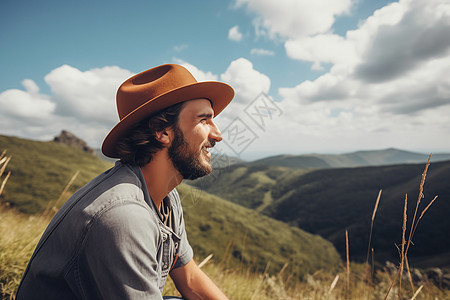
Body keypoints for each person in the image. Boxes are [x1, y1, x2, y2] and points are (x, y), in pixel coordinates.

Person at [16, 64, 234, 299]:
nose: (218, 134)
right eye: (204, 120)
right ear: (162, 131)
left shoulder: (167, 198)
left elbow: (190, 280)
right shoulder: (124, 217)